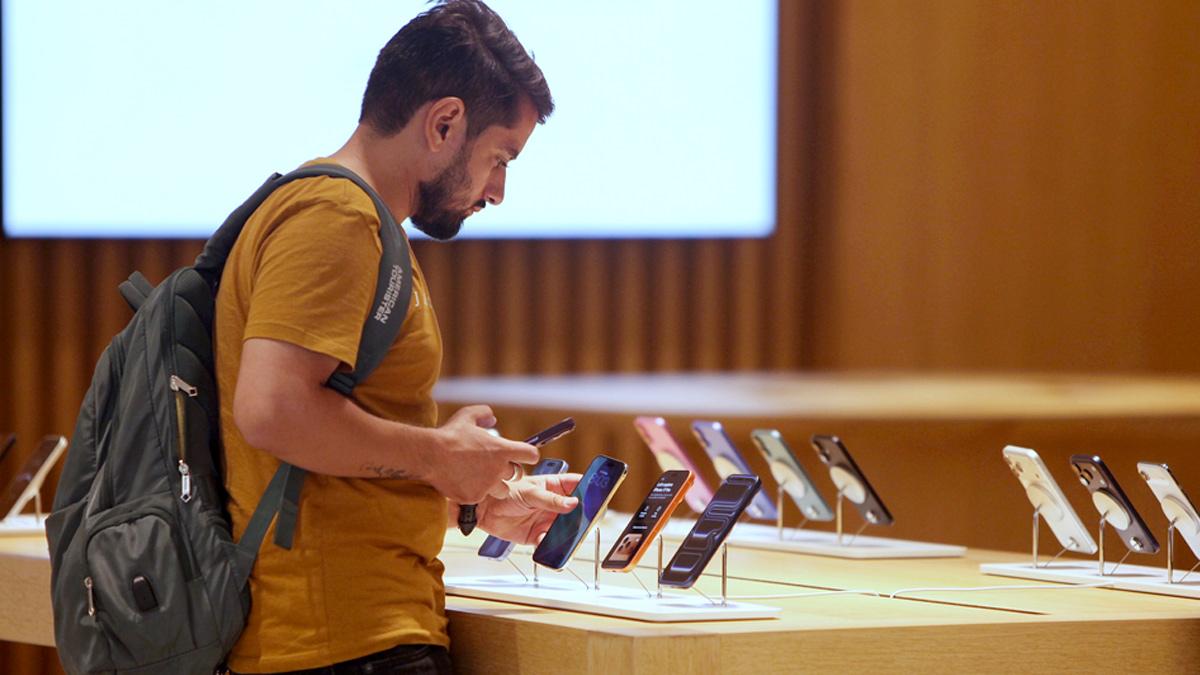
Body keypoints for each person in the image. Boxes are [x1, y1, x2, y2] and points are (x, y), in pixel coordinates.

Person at [213, 2, 572, 672]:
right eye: (500, 157)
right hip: (344, 641)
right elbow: (273, 410)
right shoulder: (336, 216)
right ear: (443, 123)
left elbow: (329, 470)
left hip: (348, 632)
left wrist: (467, 492)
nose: (498, 191)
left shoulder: (353, 218)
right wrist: (438, 453)